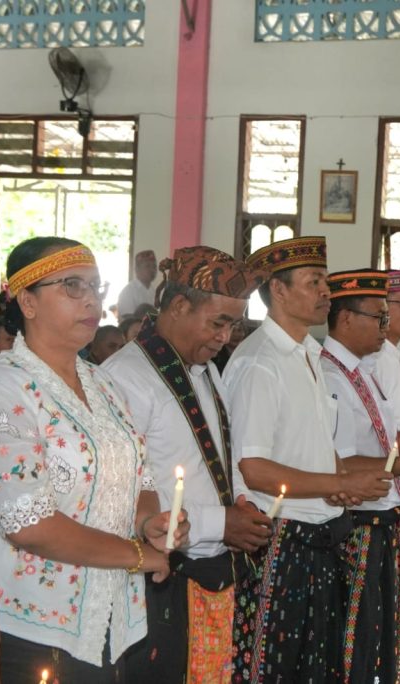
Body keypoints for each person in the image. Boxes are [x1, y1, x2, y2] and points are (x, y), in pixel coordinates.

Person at [0, 237, 183, 682]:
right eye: (72, 286)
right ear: (28, 301)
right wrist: (137, 555)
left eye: (96, 286)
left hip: (113, 618)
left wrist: (148, 523)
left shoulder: (103, 383)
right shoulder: (0, 390)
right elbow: (30, 525)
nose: (91, 299)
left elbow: (139, 479)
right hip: (33, 627)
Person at [224, 236, 391, 683]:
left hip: (318, 533)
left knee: (314, 665)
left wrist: (342, 477)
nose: (325, 292)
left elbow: (315, 443)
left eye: (325, 281)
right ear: (278, 290)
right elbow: (253, 468)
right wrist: (340, 484)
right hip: (280, 538)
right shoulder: (261, 363)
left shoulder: (308, 353)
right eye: (314, 281)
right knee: (272, 665)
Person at [104, 245, 273, 682]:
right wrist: (221, 522)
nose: (226, 336)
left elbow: (221, 455)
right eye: (218, 323)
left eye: (234, 325)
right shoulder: (126, 377)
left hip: (213, 569)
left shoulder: (206, 370)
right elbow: (124, 495)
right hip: (161, 577)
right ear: (179, 306)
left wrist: (242, 504)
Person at [321, 269, 400, 684]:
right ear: (346, 318)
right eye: (379, 317)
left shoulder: (362, 371)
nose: (385, 326)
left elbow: (383, 441)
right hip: (358, 519)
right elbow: (337, 462)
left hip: (384, 511)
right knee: (358, 632)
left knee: (383, 625)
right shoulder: (329, 376)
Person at [117, 250, 158, 321]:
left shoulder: (153, 291)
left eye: (154, 266)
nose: (152, 270)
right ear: (137, 269)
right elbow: (129, 321)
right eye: (147, 266)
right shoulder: (128, 292)